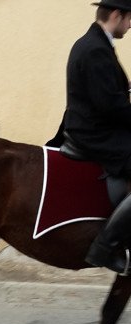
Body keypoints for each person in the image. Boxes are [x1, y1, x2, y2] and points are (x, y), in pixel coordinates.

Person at [60, 0, 131, 274]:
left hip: (98, 125)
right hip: (94, 132)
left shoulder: (97, 44)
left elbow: (110, 92)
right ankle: (105, 248)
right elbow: (109, 105)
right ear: (116, 15)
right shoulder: (94, 49)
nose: (130, 25)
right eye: (128, 19)